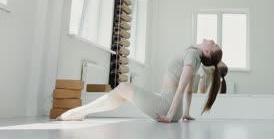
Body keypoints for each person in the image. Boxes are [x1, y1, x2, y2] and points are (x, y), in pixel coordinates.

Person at [57, 39, 223, 123]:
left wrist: (170, 115)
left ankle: (80, 112)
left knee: (123, 87)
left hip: (166, 106)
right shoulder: (194, 57)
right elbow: (188, 89)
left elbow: (182, 88)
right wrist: (184, 113)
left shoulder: (193, 55)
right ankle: (82, 112)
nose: (212, 40)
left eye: (213, 44)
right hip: (170, 107)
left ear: (207, 51)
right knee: (123, 91)